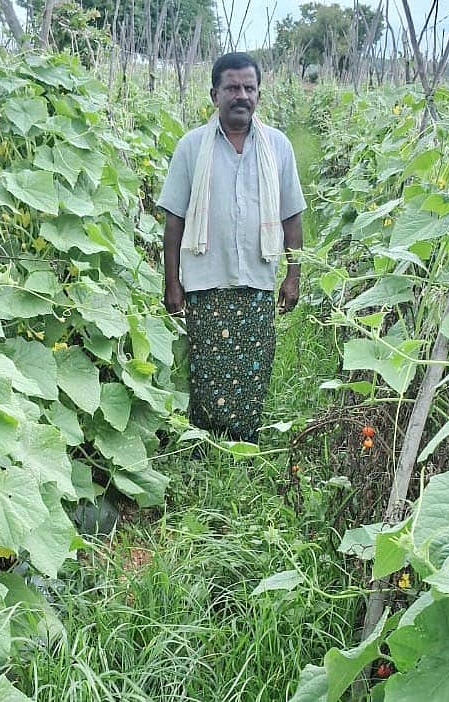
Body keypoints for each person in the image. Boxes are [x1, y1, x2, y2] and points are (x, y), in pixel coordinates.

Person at [157, 52, 306, 443]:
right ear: (214, 95)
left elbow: (292, 216)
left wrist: (293, 275)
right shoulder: (192, 148)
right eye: (232, 88)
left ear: (258, 94)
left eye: (249, 88)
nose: (241, 95)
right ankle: (206, 441)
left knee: (252, 365)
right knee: (207, 363)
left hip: (258, 276)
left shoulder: (278, 147)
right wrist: (172, 282)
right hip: (205, 277)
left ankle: (243, 440)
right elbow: (174, 221)